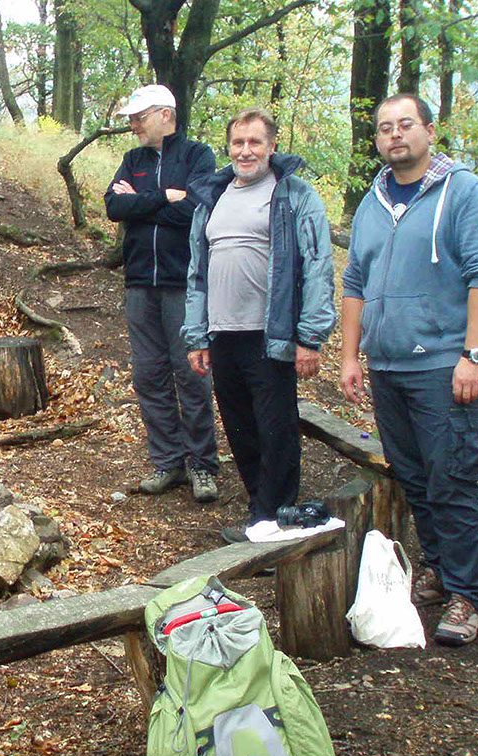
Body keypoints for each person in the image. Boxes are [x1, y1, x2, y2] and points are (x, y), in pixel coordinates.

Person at [340, 93, 478, 646]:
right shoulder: (372, 203)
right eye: (385, 128)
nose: (395, 135)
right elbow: (356, 284)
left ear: (429, 131)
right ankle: (440, 569)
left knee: (452, 474)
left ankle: (469, 594)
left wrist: (474, 354)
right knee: (414, 478)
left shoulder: (463, 193)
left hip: (444, 364)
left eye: (405, 124)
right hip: (388, 365)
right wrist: (349, 355)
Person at [182, 108, 336, 537]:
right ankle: (261, 515)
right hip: (223, 334)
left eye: (255, 142)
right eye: (237, 142)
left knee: (276, 431)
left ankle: (276, 522)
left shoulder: (293, 195)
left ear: (271, 146)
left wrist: (310, 337)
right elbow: (197, 270)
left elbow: (318, 267)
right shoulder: (213, 198)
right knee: (241, 430)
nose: (245, 150)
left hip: (272, 336)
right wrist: (197, 335)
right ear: (228, 147)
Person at [104, 84, 220, 500]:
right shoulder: (132, 159)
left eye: (140, 116)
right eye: (132, 118)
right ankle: (167, 462)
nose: (133, 124)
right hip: (139, 283)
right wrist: (161, 198)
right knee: (149, 376)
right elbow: (114, 207)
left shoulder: (197, 156)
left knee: (191, 375)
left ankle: (203, 465)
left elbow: (196, 210)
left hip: (184, 284)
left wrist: (143, 203)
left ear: (166, 116)